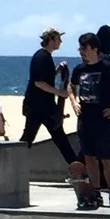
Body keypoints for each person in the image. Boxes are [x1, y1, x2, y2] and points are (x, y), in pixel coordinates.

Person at [67, 31, 110, 209]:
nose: (81, 52)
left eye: (84, 48)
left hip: (102, 119)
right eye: (80, 49)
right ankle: (95, 192)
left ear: (94, 49)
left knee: (107, 157)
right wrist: (74, 103)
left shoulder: (108, 67)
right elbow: (71, 87)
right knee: (89, 157)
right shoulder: (79, 69)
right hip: (85, 119)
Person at [21, 27, 74, 166]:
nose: (60, 42)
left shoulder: (46, 57)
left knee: (59, 139)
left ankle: (76, 167)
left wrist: (58, 69)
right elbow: (38, 82)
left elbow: (46, 78)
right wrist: (59, 92)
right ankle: (13, 165)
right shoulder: (41, 57)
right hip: (38, 107)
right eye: (58, 39)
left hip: (45, 106)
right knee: (29, 139)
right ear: (50, 40)